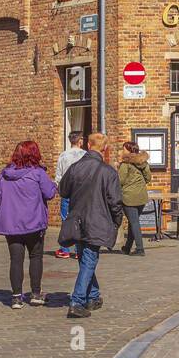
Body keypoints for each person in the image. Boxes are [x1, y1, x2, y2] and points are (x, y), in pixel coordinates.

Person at [59, 133, 123, 317]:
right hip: (97, 220)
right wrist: (116, 221)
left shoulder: (75, 168)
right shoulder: (109, 172)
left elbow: (63, 190)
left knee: (85, 258)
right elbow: (115, 201)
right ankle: (77, 301)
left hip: (78, 220)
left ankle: (93, 296)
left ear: (87, 145)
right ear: (105, 148)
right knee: (88, 259)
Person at [0, 140, 57, 309]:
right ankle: (35, 294)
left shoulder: (4, 175)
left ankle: (16, 298)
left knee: (15, 260)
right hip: (33, 222)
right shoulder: (37, 174)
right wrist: (54, 184)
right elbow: (49, 193)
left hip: (11, 224)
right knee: (35, 257)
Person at [54, 131, 87, 259]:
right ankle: (79, 250)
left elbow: (59, 176)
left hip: (67, 191)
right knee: (81, 220)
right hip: (82, 192)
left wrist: (60, 189)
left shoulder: (63, 155)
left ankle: (65, 249)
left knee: (66, 219)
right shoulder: (85, 155)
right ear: (80, 141)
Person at [117, 141, 153, 256]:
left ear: (129, 150)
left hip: (129, 197)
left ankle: (140, 249)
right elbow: (148, 177)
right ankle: (127, 247)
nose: (122, 151)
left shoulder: (125, 164)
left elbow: (120, 181)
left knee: (134, 222)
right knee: (134, 222)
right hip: (141, 196)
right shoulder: (143, 162)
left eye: (124, 149)